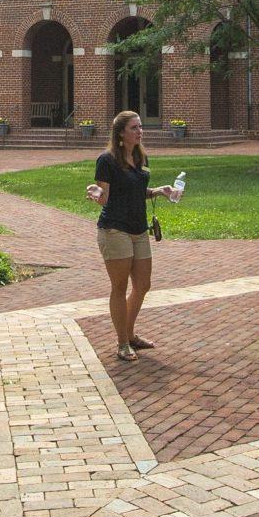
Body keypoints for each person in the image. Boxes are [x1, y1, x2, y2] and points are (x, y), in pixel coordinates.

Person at [85, 111, 182, 361]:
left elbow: (137, 190)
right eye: (134, 128)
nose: (140, 132)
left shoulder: (140, 156)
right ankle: (122, 342)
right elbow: (104, 195)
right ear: (121, 133)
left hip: (139, 230)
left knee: (143, 285)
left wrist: (158, 191)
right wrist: (96, 193)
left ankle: (130, 335)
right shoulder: (106, 160)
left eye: (140, 127)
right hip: (114, 230)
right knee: (119, 287)